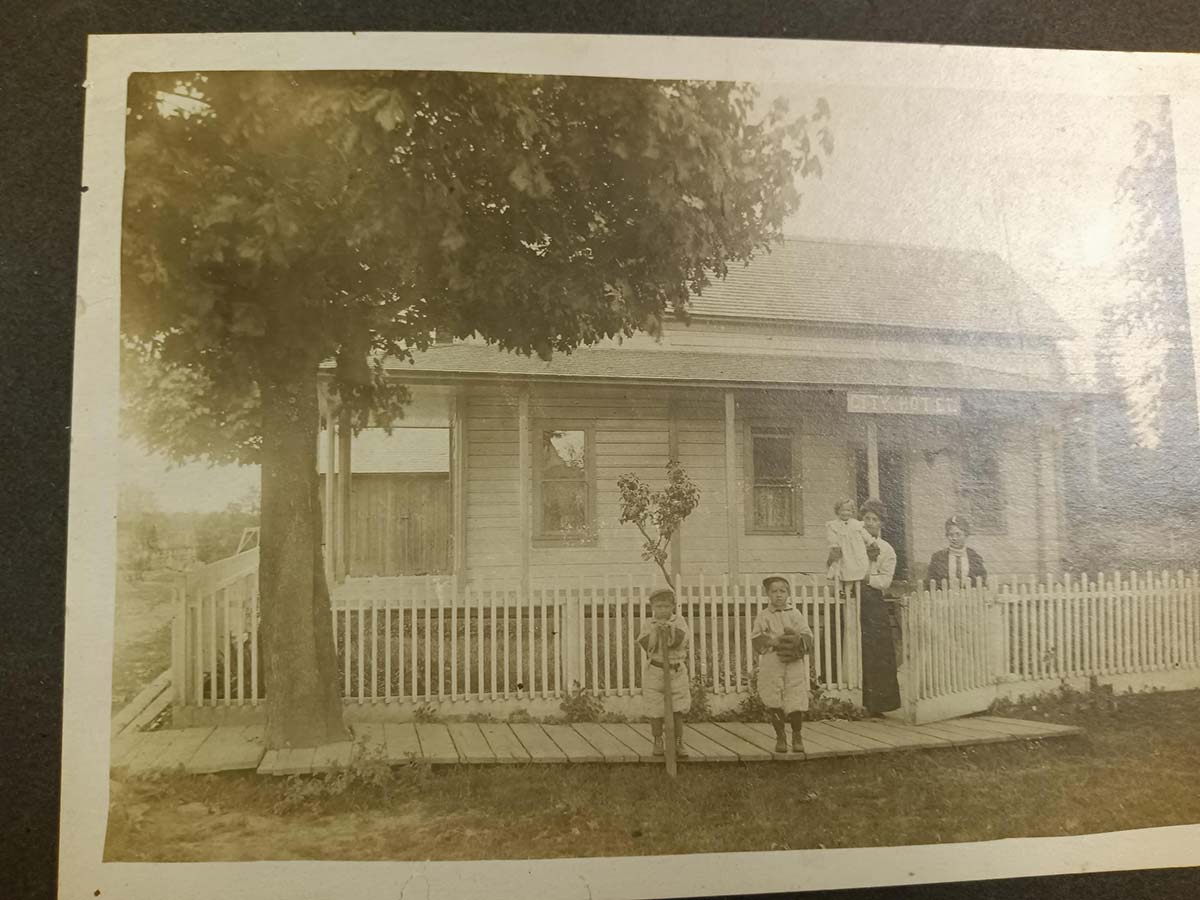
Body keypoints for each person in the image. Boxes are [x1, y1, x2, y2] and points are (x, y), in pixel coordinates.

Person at [751, 576, 815, 753]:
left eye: (782, 591)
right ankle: (780, 737)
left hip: (793, 661)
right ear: (767, 594)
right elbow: (756, 639)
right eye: (774, 591)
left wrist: (797, 641)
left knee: (795, 696)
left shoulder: (795, 614)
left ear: (788, 593)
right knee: (774, 696)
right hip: (773, 661)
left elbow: (808, 636)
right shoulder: (764, 616)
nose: (778, 595)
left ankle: (797, 736)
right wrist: (774, 641)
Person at [637, 587, 691, 758]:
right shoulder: (649, 624)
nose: (662, 610)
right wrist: (656, 632)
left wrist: (670, 631)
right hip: (656, 669)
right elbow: (645, 643)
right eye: (658, 607)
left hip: (676, 670)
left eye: (666, 606)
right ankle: (658, 739)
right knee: (655, 708)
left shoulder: (679, 621)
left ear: (673, 606)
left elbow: (682, 641)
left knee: (678, 707)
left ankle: (677, 741)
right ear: (652, 607)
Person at [859, 499, 901, 716]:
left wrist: (866, 578)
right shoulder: (852, 542)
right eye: (866, 518)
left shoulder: (887, 550)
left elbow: (884, 581)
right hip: (851, 598)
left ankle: (877, 704)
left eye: (874, 519)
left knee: (876, 651)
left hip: (873, 601)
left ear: (881, 523)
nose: (870, 523)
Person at [926, 515, 988, 587]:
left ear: (965, 535)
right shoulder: (938, 558)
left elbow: (981, 582)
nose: (954, 538)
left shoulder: (975, 558)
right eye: (951, 535)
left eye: (958, 534)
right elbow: (930, 583)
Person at [826, 497, 871, 588]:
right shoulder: (834, 525)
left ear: (852, 511)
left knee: (855, 570)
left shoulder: (856, 524)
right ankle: (841, 590)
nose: (845, 513)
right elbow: (831, 536)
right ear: (837, 511)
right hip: (842, 551)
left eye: (848, 510)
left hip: (856, 551)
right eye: (842, 510)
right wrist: (835, 546)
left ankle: (852, 590)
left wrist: (871, 541)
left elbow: (864, 534)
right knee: (842, 570)